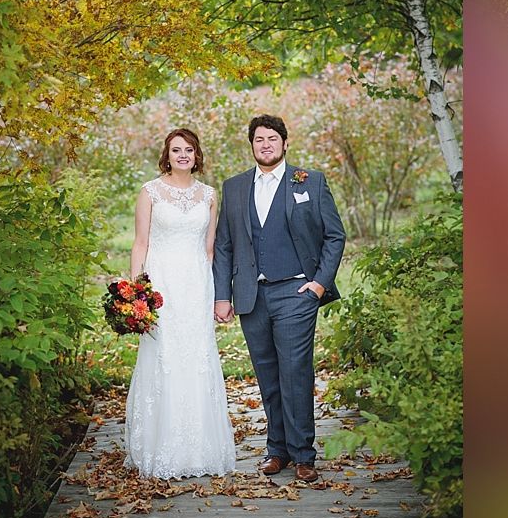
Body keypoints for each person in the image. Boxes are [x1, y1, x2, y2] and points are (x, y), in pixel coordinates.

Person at [212, 115, 346, 484]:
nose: (266, 144)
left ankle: (303, 454)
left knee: (295, 372)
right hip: (252, 296)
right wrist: (222, 295)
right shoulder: (234, 187)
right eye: (259, 139)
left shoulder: (309, 181)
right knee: (268, 375)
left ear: (285, 143)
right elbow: (224, 245)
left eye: (272, 138)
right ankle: (277, 450)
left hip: (296, 293)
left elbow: (334, 236)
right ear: (251, 145)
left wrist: (318, 284)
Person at [124, 128, 236, 479]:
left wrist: (217, 293)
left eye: (189, 149)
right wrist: (138, 292)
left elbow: (210, 248)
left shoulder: (209, 195)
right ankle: (162, 449)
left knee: (197, 359)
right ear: (167, 155)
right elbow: (140, 244)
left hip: (196, 286)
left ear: (196, 155)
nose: (183, 155)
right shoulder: (150, 192)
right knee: (165, 358)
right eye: (176, 150)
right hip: (161, 286)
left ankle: (199, 450)